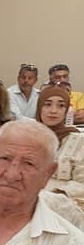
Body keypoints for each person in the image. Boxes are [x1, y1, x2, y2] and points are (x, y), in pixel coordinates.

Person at [35, 85, 84, 222]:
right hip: (26, 200)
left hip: (66, 204)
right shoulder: (28, 137)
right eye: (47, 104)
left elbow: (82, 183)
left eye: (61, 106)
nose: (53, 111)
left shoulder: (78, 140)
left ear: (66, 110)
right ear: (39, 108)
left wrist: (55, 194)